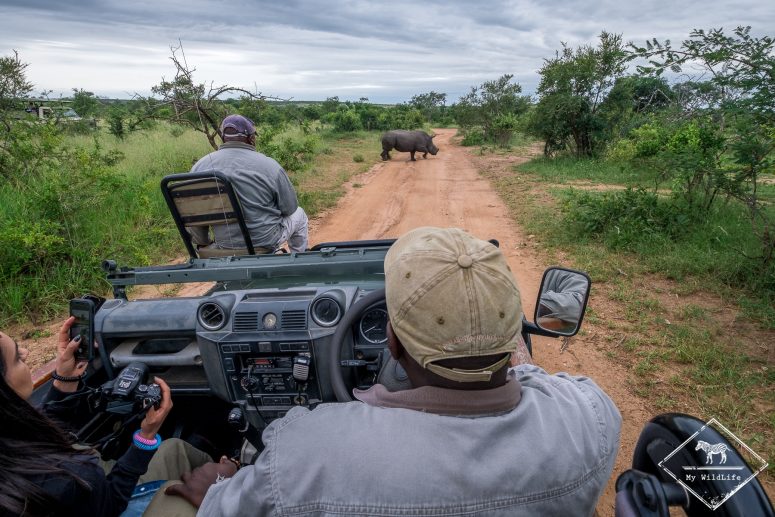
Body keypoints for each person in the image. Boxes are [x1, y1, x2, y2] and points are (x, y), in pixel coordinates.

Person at [163, 227, 621, 516]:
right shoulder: (592, 417)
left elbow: (236, 506)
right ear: (513, 341)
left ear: (393, 342)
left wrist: (219, 487)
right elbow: (539, 380)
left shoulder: (306, 455)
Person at [0, 317, 211, 517]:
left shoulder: (13, 437)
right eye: (17, 357)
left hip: (88, 498)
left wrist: (64, 381)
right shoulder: (64, 479)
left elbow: (38, 434)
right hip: (105, 503)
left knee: (175, 449)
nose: (26, 352)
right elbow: (111, 503)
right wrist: (145, 438)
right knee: (186, 502)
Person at [188, 114, 309, 253]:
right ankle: (299, 257)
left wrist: (204, 243)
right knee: (299, 214)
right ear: (251, 139)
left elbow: (193, 215)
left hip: (224, 244)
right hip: (265, 242)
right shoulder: (269, 165)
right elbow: (289, 208)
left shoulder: (200, 166)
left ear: (223, 138)